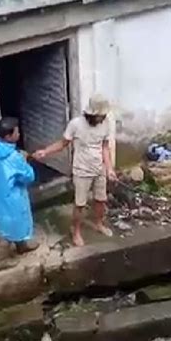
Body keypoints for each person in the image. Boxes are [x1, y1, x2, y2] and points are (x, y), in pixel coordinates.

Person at [33, 94, 116, 247]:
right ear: (93, 113)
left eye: (104, 114)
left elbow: (104, 147)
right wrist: (46, 151)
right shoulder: (76, 124)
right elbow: (63, 143)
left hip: (99, 169)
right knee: (80, 204)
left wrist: (109, 168)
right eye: (101, 115)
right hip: (81, 171)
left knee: (101, 199)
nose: (103, 117)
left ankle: (99, 223)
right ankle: (76, 231)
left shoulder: (106, 123)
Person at [0, 117, 38, 257]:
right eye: (16, 133)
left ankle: (19, 245)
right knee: (14, 223)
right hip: (9, 198)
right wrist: (23, 159)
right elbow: (29, 176)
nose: (19, 135)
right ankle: (5, 253)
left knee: (2, 223)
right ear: (8, 136)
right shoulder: (13, 157)